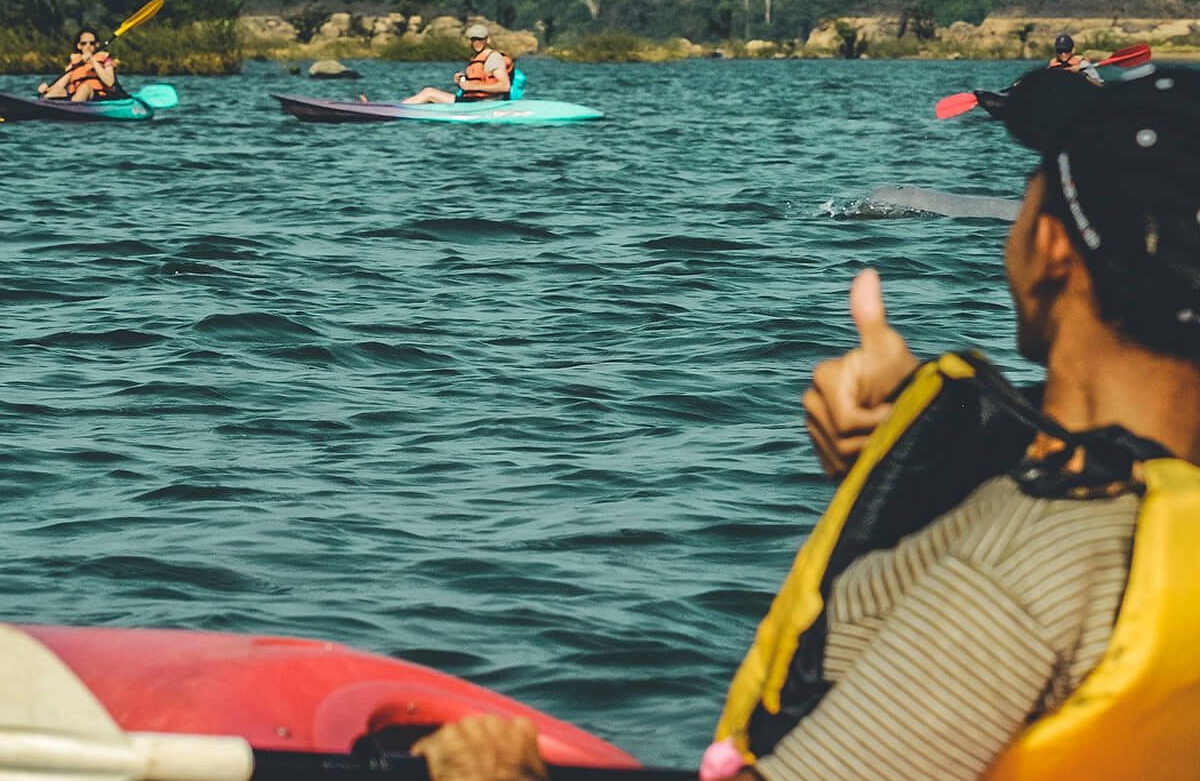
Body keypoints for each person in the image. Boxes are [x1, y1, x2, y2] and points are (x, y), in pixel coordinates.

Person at [409, 64, 1200, 780]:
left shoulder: (1028, 568)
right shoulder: (1155, 508)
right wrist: (915, 431)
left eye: (1031, 191)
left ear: (1053, 248)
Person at [402, 24, 520, 104]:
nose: (476, 42)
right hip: (473, 102)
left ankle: (397, 110)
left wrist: (473, 87)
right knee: (429, 96)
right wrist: (462, 81)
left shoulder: (494, 58)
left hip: (485, 104)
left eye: (480, 39)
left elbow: (505, 86)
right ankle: (401, 109)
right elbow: (478, 81)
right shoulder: (477, 58)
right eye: (473, 39)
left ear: (487, 40)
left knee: (429, 93)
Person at [38, 28, 126, 101]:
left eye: (92, 43)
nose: (88, 46)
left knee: (85, 87)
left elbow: (110, 82)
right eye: (84, 43)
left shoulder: (106, 60)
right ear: (79, 46)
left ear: (97, 45)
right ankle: (42, 105)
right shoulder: (74, 63)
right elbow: (59, 85)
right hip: (76, 98)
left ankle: (72, 111)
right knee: (57, 91)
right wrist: (47, 89)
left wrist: (93, 60)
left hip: (98, 97)